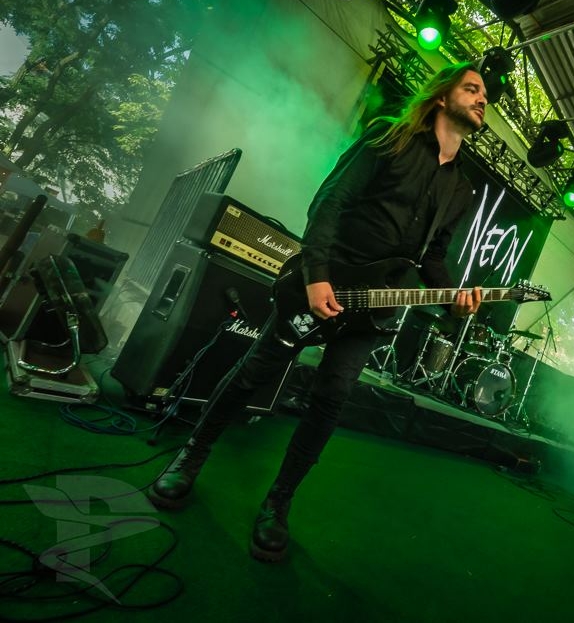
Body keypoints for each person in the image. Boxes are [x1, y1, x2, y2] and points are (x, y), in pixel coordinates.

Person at [146, 62, 487, 561]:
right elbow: (329, 203)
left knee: (332, 398)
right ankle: (190, 457)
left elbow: (432, 256)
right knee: (254, 372)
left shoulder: (462, 189)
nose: (482, 99)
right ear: (442, 97)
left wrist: (454, 297)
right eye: (472, 88)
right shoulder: (390, 137)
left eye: (485, 95)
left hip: (374, 306)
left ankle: (278, 502)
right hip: (325, 282)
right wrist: (316, 276)